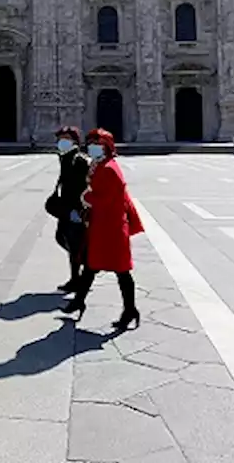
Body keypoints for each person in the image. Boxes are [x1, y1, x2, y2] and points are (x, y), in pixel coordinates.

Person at [62, 128, 144, 331]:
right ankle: (79, 301)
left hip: (112, 228)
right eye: (90, 143)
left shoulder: (109, 169)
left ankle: (130, 310)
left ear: (106, 147)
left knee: (122, 271)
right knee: (90, 265)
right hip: (102, 225)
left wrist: (87, 198)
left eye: (96, 144)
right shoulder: (102, 165)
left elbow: (107, 198)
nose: (91, 147)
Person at [48, 126, 90, 293]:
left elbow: (85, 185)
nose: (61, 141)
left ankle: (77, 279)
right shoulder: (66, 157)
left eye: (65, 138)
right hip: (66, 206)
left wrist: (81, 209)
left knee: (74, 245)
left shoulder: (78, 159)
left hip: (75, 208)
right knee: (61, 237)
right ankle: (87, 266)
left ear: (75, 140)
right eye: (60, 138)